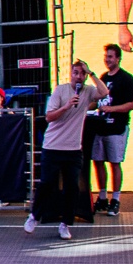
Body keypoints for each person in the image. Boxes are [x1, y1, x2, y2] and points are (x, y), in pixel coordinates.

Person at [26, 60, 101, 239]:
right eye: (76, 73)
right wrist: (66, 106)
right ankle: (34, 216)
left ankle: (65, 223)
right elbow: (49, 117)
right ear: (71, 74)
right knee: (47, 183)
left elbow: (105, 92)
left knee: (72, 187)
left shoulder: (88, 91)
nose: (79, 77)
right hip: (53, 146)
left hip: (73, 149)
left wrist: (91, 73)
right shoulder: (60, 91)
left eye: (82, 74)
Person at [88, 42, 133, 215]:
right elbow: (97, 101)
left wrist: (112, 109)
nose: (107, 59)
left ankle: (115, 199)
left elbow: (132, 104)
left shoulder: (127, 79)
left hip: (117, 127)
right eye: (106, 56)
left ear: (118, 58)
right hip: (100, 127)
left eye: (110, 57)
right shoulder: (104, 77)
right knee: (98, 161)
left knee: (114, 162)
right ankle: (102, 197)